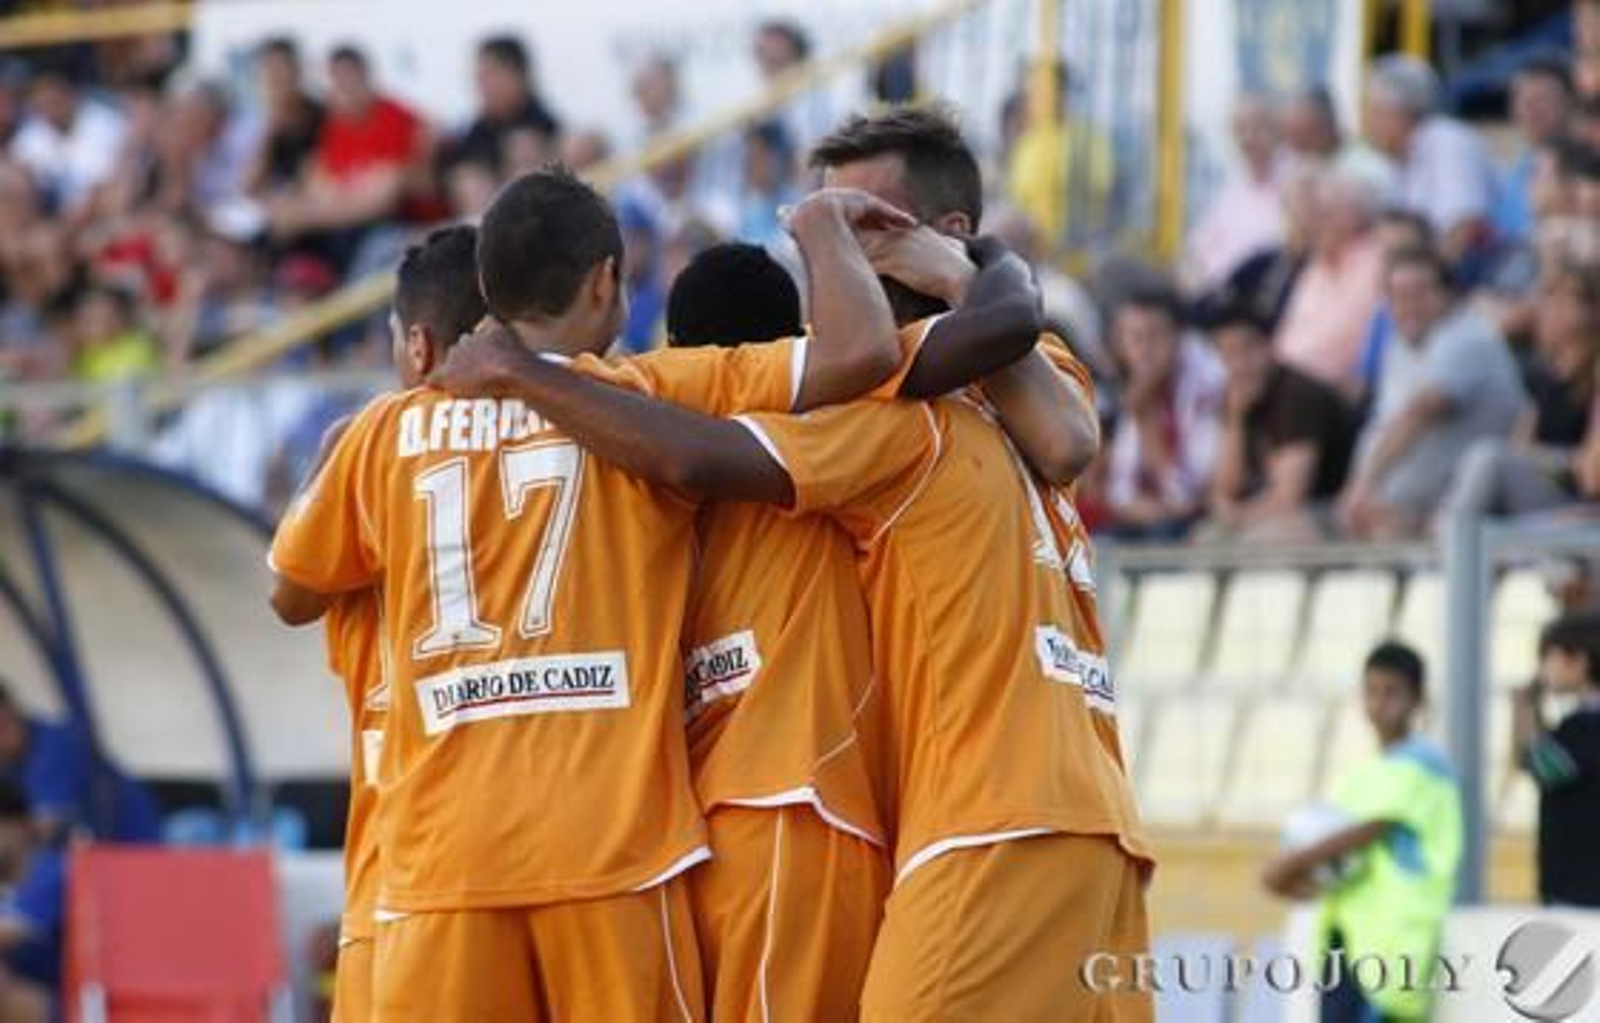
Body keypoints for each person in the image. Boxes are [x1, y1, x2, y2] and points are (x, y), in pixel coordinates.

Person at [430, 106, 1153, 1020]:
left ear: (940, 235)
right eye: (818, 228)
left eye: (856, 224)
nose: (826, 254)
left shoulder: (891, 410)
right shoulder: (1024, 370)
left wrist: (520, 371)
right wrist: (981, 265)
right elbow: (1064, 431)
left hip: (982, 821)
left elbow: (699, 453)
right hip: (1094, 822)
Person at [268, 170, 931, 1019]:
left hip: (438, 863)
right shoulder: (647, 398)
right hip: (612, 854)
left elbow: (291, 592)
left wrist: (346, 443)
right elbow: (862, 351)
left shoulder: (380, 433)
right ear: (606, 281)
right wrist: (824, 223)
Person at [282, 225, 486, 1021]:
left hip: (405, 853)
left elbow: (290, 593)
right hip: (541, 829)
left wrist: (331, 457)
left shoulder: (371, 442)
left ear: (419, 345)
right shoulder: (582, 421)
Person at [1263, 642, 1463, 1023]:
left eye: (1392, 692)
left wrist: (1288, 866)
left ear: (1418, 698)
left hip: (1393, 944)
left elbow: (1364, 832)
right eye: (1371, 691)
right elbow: (1346, 863)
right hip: (1349, 937)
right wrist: (1300, 884)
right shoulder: (1361, 774)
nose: (1379, 703)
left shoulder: (1425, 766)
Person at [1338, 247, 1527, 539]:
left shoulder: (1468, 337)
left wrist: (1363, 484)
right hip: (1390, 512)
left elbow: (1421, 411)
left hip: (1451, 517)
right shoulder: (1400, 344)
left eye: (1420, 292)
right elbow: (1383, 424)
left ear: (1448, 294)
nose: (1408, 305)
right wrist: (1358, 493)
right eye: (1397, 296)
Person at [1440, 262, 1600, 526]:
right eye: (1550, 298)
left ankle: (1450, 544)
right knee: (1484, 463)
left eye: (1567, 299)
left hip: (1582, 502)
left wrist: (1548, 460)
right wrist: (1546, 460)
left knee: (1489, 459)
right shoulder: (1548, 374)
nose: (1554, 309)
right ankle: (1447, 537)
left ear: (1593, 309)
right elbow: (1520, 445)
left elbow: (1591, 475)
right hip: (1551, 487)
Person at [1200, 301, 1355, 544]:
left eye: (1247, 349)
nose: (1240, 364)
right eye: (1228, 354)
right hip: (1268, 512)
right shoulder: (1236, 395)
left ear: (1269, 346)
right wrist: (1236, 418)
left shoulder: (1298, 395)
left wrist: (1237, 517)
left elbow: (1288, 498)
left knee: (1255, 542)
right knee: (1203, 540)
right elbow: (1228, 488)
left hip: (1327, 511)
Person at [1106, 283, 1226, 539]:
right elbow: (1120, 493)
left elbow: (1189, 498)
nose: (1144, 350)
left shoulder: (1207, 383)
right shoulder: (1138, 383)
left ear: (1179, 336)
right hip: (1154, 516)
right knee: (1095, 546)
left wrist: (1144, 418)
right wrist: (1144, 510)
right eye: (1134, 337)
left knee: (1162, 538)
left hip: (1203, 523)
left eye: (1155, 335)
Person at [1363, 54, 1498, 274]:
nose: (1369, 124)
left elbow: (1464, 228)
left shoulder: (1447, 140)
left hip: (1475, 274)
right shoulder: (1397, 161)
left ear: (1404, 112)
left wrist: (1428, 283)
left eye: (1377, 112)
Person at [1274, 167, 1388, 394]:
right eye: (1312, 215)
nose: (1314, 224)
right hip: (1292, 386)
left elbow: (1349, 338)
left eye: (1325, 214)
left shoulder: (1376, 260)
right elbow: (1287, 336)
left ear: (1357, 215)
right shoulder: (1315, 269)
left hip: (1332, 391)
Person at [1514, 610, 1600, 907]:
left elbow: (1540, 765)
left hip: (1579, 891)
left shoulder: (1586, 725)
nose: (1543, 669)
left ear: (1578, 661)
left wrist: (1525, 707)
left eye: (1549, 657)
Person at [1183, 94, 1288, 291]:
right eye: (1240, 130)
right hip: (1213, 293)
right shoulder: (1232, 188)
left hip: (1257, 296)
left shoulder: (1295, 184)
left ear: (1277, 131)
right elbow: (1196, 250)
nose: (1248, 138)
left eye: (1256, 128)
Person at [447, 36, 561, 172]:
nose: (481, 85)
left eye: (490, 74)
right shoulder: (473, 136)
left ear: (518, 75)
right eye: (479, 77)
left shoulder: (549, 131)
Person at [1494, 57, 1575, 245]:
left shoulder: (1584, 167)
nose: (1529, 109)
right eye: (1521, 99)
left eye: (1542, 99)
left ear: (1570, 103)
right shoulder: (1516, 171)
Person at [0, 782, 62, 1023]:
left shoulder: (51, 871)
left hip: (58, 1002)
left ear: (17, 827)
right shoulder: (7, 882)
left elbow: (10, 932)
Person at [243, 37, 325, 198]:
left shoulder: (323, 118)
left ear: (298, 73)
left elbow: (315, 185)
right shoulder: (263, 124)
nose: (274, 79)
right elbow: (248, 186)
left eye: (280, 70)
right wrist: (270, 132)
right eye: (267, 71)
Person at [1278, 85, 1395, 195]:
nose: (1296, 149)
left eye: (1302, 137)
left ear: (1324, 127)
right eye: (1291, 139)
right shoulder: (1292, 168)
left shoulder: (1368, 170)